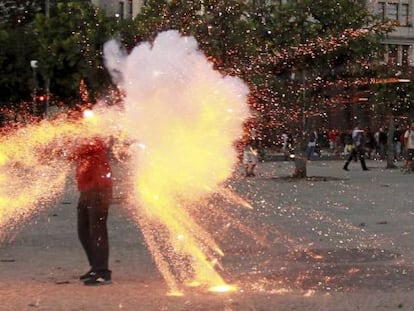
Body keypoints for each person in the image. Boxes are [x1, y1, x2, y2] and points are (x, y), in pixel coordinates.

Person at [69, 135, 113, 285]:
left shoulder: (92, 138)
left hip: (99, 189)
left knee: (97, 231)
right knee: (83, 230)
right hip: (87, 189)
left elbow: (76, 151)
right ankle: (95, 267)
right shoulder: (82, 137)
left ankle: (103, 272)